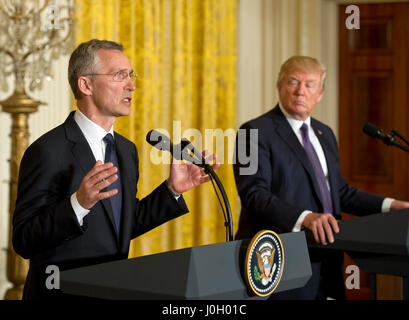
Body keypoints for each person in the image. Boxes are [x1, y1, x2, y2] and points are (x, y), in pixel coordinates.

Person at [12, 39, 217, 300]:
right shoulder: (48, 150)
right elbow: (24, 239)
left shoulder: (126, 150)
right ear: (85, 84)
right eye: (119, 75)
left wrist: (171, 190)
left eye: (130, 75)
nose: (131, 85)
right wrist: (78, 204)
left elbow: (120, 224)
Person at [233, 55, 409, 300]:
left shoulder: (324, 133)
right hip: (279, 260)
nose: (300, 91)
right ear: (279, 85)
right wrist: (305, 218)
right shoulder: (253, 132)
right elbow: (253, 193)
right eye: (293, 82)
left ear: (320, 93)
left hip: (328, 256)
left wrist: (390, 206)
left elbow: (340, 192)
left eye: (309, 84)